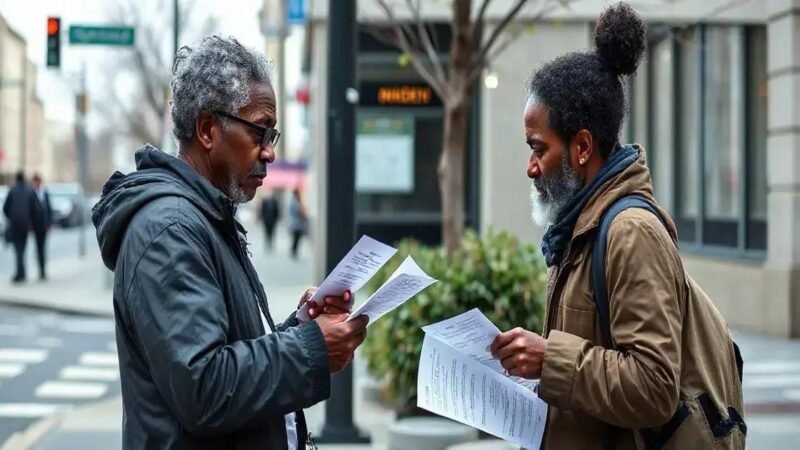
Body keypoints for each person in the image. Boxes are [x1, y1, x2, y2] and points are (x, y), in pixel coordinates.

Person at [91, 36, 367, 450]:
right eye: (260, 131)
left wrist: (300, 329)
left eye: (272, 135)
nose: (270, 153)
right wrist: (312, 348)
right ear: (207, 130)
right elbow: (205, 388)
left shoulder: (206, 216)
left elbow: (231, 351)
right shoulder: (169, 230)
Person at [489, 4, 745, 450]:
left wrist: (549, 360)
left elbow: (654, 388)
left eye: (538, 149)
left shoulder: (630, 232)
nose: (530, 168)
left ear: (582, 146)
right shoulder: (577, 227)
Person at [3, 171, 37, 283]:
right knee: (22, 248)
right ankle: (22, 272)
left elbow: (5, 208)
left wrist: (11, 217)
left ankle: (20, 273)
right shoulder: (30, 191)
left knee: (18, 249)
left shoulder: (12, 191)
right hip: (25, 225)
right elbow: (34, 208)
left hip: (15, 225)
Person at [31, 174, 53, 280]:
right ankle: (40, 271)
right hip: (36, 226)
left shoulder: (45, 193)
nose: (34, 184)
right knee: (38, 249)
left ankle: (43, 271)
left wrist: (50, 224)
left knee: (42, 249)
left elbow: (49, 209)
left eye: (36, 182)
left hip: (44, 226)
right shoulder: (32, 194)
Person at [288, 187, 307, 259]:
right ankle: (294, 252)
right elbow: (300, 212)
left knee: (296, 238)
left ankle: (294, 251)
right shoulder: (294, 201)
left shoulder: (295, 201)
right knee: (296, 238)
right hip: (296, 224)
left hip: (296, 223)